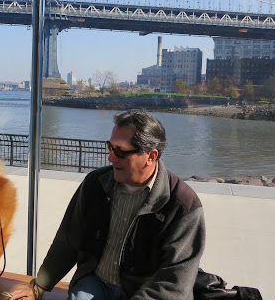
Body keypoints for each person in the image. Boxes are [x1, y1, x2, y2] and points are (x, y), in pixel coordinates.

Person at [11, 109, 206, 300]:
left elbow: (174, 282)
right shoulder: (95, 184)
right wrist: (39, 286)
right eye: (110, 147)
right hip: (96, 282)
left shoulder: (183, 206)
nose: (111, 157)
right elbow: (68, 239)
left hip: (144, 291)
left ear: (151, 156)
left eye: (121, 151)